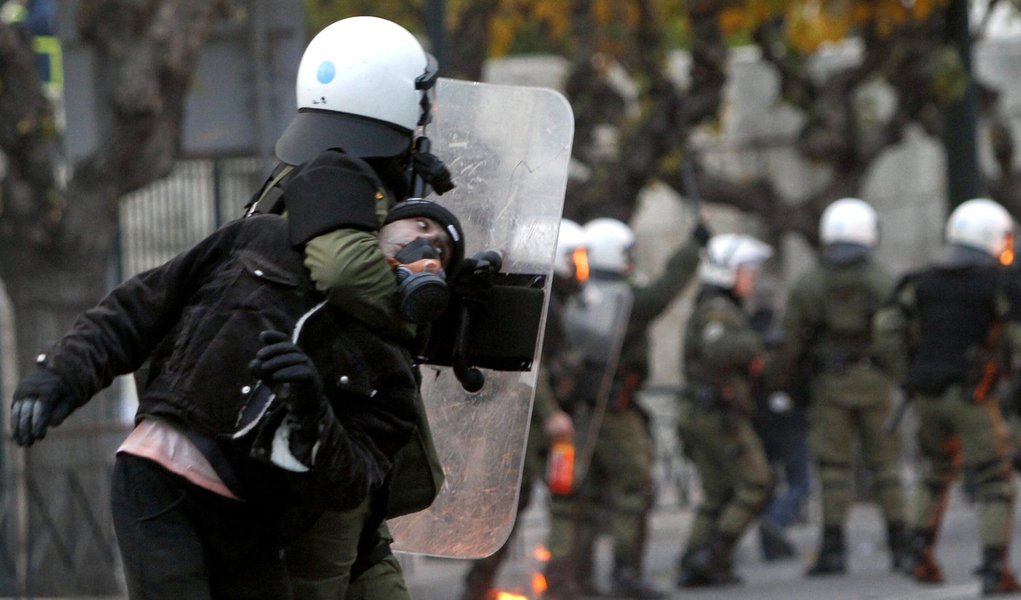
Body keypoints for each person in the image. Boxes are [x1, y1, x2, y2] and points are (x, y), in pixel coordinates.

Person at [8, 188, 464, 599]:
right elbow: (140, 306)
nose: (426, 244)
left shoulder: (395, 368)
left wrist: (312, 414)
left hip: (253, 521)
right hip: (159, 476)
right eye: (421, 225)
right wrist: (60, 375)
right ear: (383, 222)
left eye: (441, 251)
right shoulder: (264, 238)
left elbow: (353, 481)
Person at [542, 217, 706, 599]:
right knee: (634, 488)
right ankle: (624, 575)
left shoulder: (586, 297)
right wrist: (692, 248)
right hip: (613, 412)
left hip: (585, 413)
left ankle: (576, 580)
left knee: (585, 495)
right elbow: (662, 293)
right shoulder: (618, 300)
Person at [874, 197, 1021, 595]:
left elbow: (887, 327)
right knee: (994, 480)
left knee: (936, 472)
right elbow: (1014, 336)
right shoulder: (998, 282)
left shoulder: (920, 280)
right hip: (972, 396)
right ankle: (995, 569)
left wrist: (907, 374)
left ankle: (918, 552)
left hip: (926, 396)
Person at [765, 197, 910, 576]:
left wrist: (781, 385)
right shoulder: (880, 278)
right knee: (886, 467)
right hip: (875, 384)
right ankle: (901, 545)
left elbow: (790, 339)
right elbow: (902, 328)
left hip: (830, 386)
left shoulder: (810, 282)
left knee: (833, 470)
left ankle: (832, 549)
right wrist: (902, 375)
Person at [457, 219, 583, 600]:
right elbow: (532, 367)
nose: (581, 266)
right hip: (527, 419)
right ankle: (480, 584)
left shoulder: (548, 296)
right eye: (576, 257)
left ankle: (556, 583)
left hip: (534, 418)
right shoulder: (534, 298)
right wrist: (551, 414)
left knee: (560, 498)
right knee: (512, 505)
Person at [675, 232, 774, 587]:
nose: (753, 278)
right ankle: (713, 555)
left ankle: (693, 560)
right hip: (716, 416)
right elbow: (718, 351)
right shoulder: (717, 310)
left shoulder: (721, 307)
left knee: (717, 492)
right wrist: (758, 341)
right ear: (726, 272)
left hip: (707, 413)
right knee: (756, 482)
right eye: (747, 270)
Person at [748, 285, 810, 562]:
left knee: (768, 480)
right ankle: (775, 522)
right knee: (800, 482)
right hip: (788, 419)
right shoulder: (787, 336)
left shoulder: (747, 331)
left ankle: (771, 538)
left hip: (758, 417)